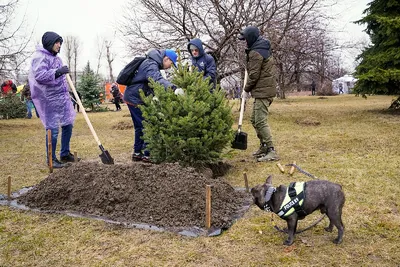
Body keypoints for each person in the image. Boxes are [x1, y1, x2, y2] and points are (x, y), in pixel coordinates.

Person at [29, 31, 79, 168]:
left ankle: (65, 153)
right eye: (57, 43)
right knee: (53, 129)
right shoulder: (40, 57)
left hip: (61, 97)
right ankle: (51, 159)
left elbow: (61, 77)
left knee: (68, 123)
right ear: (50, 43)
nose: (59, 45)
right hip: (48, 99)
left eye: (60, 43)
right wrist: (57, 72)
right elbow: (40, 76)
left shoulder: (57, 58)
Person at [123, 49, 179, 163]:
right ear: (166, 59)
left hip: (133, 96)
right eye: (171, 64)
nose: (169, 67)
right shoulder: (151, 64)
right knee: (147, 125)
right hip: (136, 98)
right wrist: (174, 88)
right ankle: (147, 154)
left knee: (140, 126)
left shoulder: (151, 62)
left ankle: (137, 153)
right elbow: (156, 79)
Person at [238, 26, 279, 162]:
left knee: (260, 121)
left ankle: (271, 150)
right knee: (254, 120)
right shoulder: (261, 47)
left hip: (263, 91)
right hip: (264, 89)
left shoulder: (256, 52)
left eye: (245, 40)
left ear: (251, 38)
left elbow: (254, 75)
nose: (245, 42)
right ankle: (264, 146)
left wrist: (245, 90)